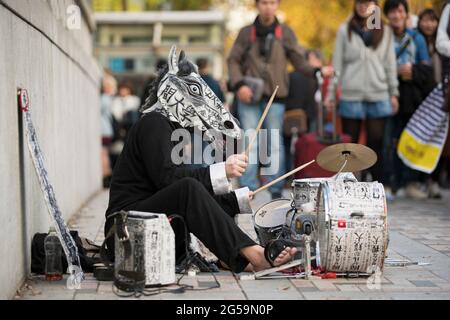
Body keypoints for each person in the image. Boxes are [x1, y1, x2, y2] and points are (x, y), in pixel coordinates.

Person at [104, 47, 297, 274]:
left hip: (144, 217)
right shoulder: (153, 123)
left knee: (194, 187)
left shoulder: (167, 127)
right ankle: (254, 254)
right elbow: (171, 182)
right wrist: (222, 170)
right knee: (189, 187)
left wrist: (235, 199)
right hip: (125, 226)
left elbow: (177, 192)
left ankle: (235, 257)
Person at [228, 0, 332, 199]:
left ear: (278, 5)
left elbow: (299, 60)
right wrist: (239, 84)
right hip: (249, 96)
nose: (268, 7)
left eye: (273, 3)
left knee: (274, 143)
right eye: (264, 3)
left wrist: (317, 70)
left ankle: (275, 190)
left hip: (276, 96)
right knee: (251, 141)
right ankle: (247, 190)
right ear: (257, 5)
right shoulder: (245, 32)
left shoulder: (285, 32)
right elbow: (233, 60)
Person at [326, 0, 399, 186]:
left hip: (379, 92)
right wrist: (331, 93)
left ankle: (377, 185)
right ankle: (348, 186)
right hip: (352, 94)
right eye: (359, 2)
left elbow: (390, 64)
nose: (363, 5)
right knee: (350, 145)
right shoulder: (345, 30)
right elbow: (337, 64)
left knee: (377, 142)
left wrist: (393, 93)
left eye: (368, 2)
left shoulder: (385, 31)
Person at [384, 0, 434, 200]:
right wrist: (394, 71)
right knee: (389, 140)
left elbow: (427, 67)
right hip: (388, 92)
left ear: (406, 14)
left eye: (400, 11)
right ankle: (390, 182)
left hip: (411, 96)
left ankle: (410, 181)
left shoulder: (417, 38)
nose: (396, 15)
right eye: (392, 12)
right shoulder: (383, 36)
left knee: (411, 139)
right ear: (387, 15)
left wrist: (413, 70)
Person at [417, 8, 443, 198]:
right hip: (421, 97)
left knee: (438, 141)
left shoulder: (442, 44)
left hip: (440, 97)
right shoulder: (417, 41)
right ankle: (421, 181)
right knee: (420, 140)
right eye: (425, 20)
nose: (429, 24)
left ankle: (434, 180)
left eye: (432, 20)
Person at [100, 70, 117, 188]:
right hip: (107, 130)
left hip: (103, 130)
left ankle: (107, 177)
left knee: (103, 154)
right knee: (105, 154)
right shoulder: (110, 98)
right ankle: (108, 177)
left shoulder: (105, 98)